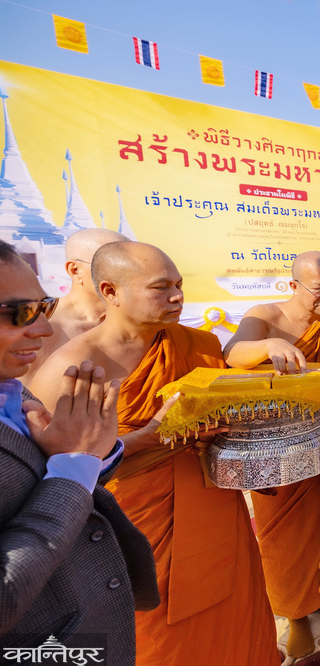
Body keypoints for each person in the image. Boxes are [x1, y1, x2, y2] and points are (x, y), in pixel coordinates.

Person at [29, 241, 278, 666]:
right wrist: (147, 437)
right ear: (110, 291)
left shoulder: (196, 344)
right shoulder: (73, 368)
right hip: (135, 526)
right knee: (156, 636)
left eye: (179, 285)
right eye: (161, 288)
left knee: (236, 618)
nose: (178, 296)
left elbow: (219, 418)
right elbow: (51, 479)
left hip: (212, 504)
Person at [0, 241, 157, 666]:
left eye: (42, 308)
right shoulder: (67, 363)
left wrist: (90, 455)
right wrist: (72, 469)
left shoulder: (13, 393)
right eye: (18, 314)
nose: (45, 331)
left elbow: (52, 475)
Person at [223, 251, 320, 659]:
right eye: (319, 289)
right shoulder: (265, 314)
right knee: (284, 537)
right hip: (278, 444)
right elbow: (233, 352)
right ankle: (296, 615)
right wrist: (268, 343)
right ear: (293, 286)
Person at [21, 228, 126, 385]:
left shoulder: (141, 326)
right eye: (114, 263)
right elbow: (22, 401)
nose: (128, 272)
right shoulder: (37, 327)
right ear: (75, 270)